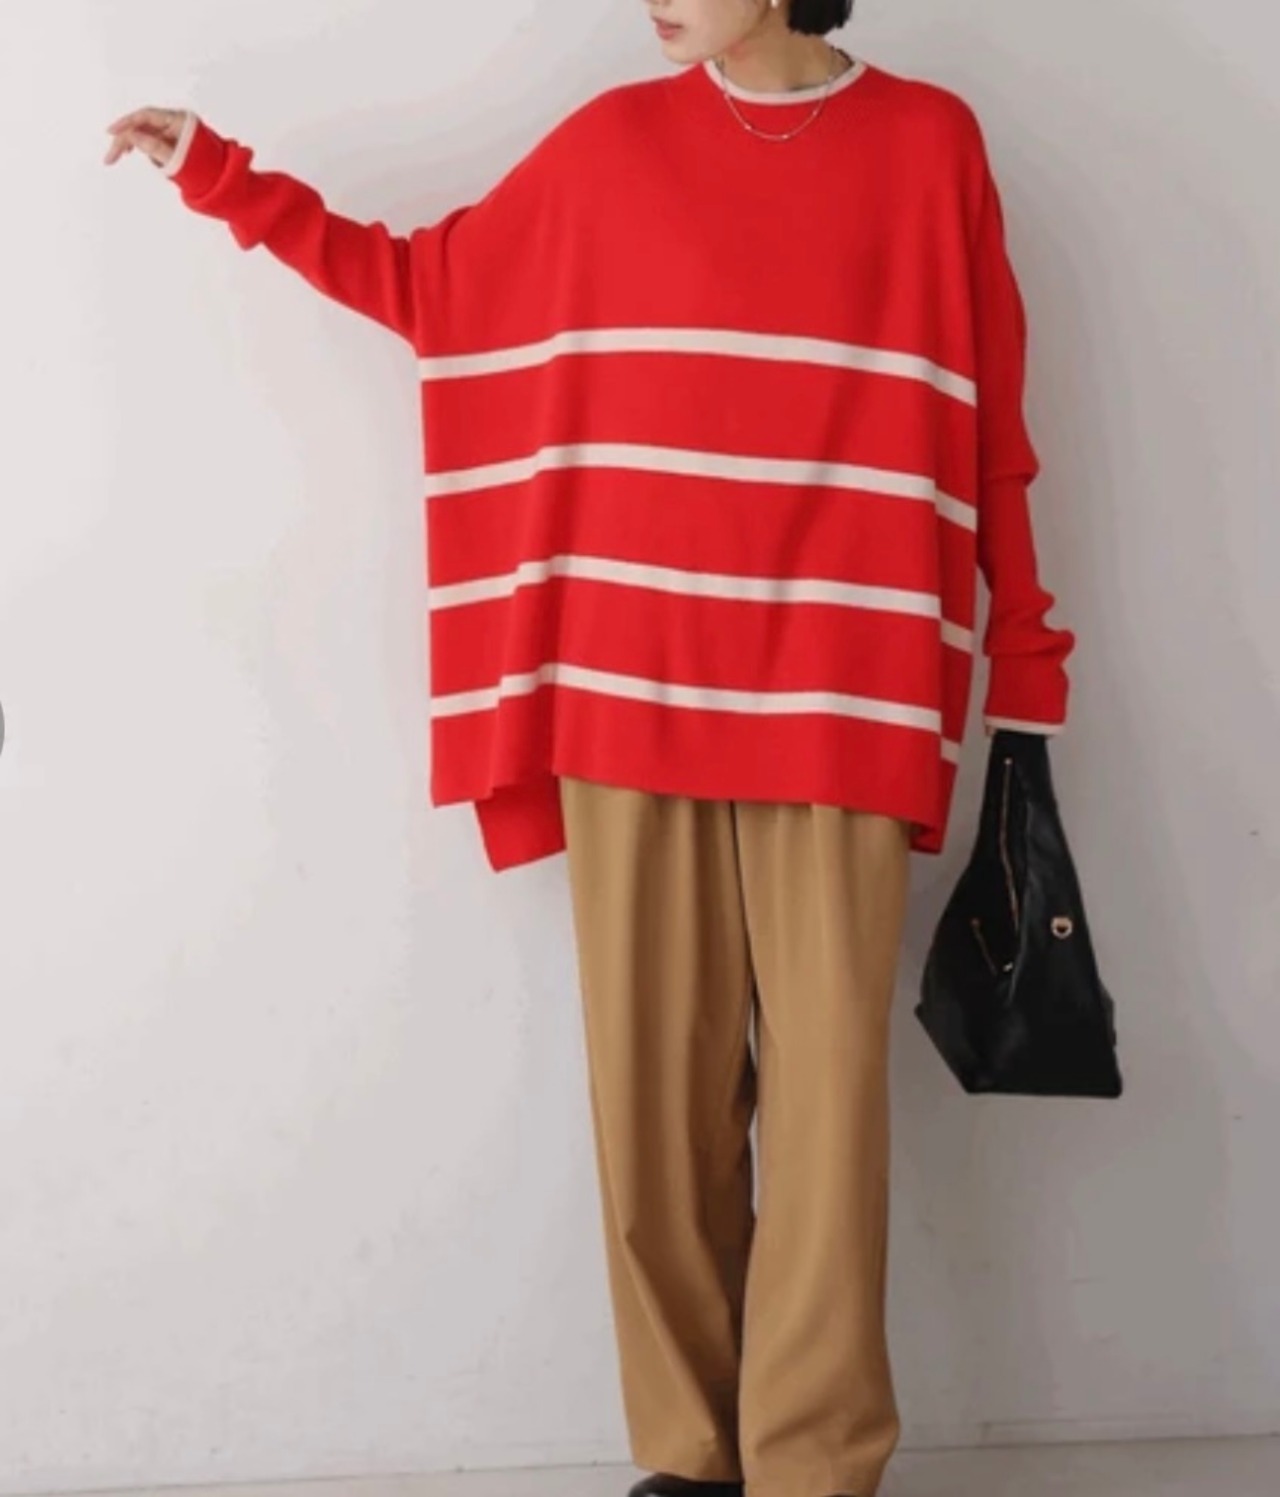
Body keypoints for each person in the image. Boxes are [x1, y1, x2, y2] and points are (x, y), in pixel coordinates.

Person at [105, 2, 1075, 1494]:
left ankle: (815, 1466)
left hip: (844, 683)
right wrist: (220, 175)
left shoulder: (929, 143)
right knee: (659, 1107)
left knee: (829, 1116)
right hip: (630, 686)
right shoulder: (613, 145)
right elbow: (432, 288)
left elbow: (990, 422)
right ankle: (692, 1458)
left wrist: (1029, 657)